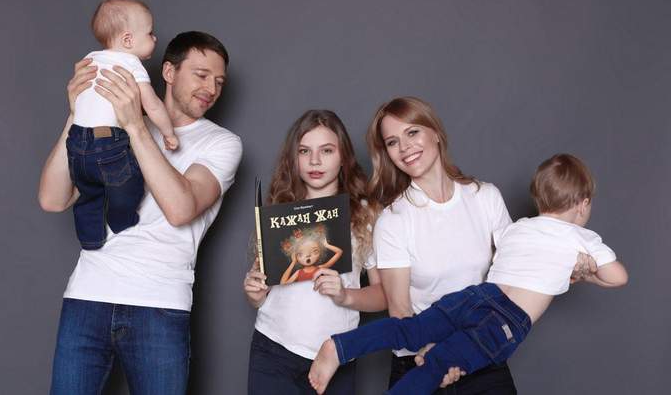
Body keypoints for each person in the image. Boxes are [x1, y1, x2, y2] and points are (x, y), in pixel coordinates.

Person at [308, 153, 629, 394]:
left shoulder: (520, 228)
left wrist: (567, 268)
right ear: (583, 204)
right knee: (437, 366)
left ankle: (339, 347)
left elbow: (514, 260)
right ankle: (436, 356)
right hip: (507, 320)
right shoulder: (579, 238)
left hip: (478, 296)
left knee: (410, 330)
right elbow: (618, 277)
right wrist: (586, 268)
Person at [39, 31, 242, 394]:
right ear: (169, 72)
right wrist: (77, 116)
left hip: (159, 306)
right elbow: (52, 199)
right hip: (88, 295)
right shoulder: (110, 124)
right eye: (201, 75)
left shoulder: (222, 143)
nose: (211, 88)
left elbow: (180, 208)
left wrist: (135, 126)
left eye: (219, 81)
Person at [359, 96, 542, 393]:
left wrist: (568, 263)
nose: (404, 147)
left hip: (480, 353)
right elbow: (400, 307)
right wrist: (438, 354)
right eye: (392, 142)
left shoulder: (485, 197)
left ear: (435, 133)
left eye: (412, 132)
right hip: (419, 359)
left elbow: (516, 270)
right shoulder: (393, 219)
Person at [242, 110, 386, 394]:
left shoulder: (366, 214)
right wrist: (254, 293)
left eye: (327, 150)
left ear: (343, 157)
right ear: (293, 158)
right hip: (273, 349)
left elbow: (384, 294)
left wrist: (345, 295)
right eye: (304, 151)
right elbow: (263, 293)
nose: (315, 161)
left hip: (337, 355)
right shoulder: (280, 209)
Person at [68, 0, 178, 250]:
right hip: (107, 143)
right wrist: (169, 133)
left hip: (76, 142)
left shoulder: (90, 59)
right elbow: (152, 105)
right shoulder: (131, 63)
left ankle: (90, 238)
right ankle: (121, 221)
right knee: (129, 185)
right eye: (150, 33)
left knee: (89, 192)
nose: (155, 38)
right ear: (128, 40)